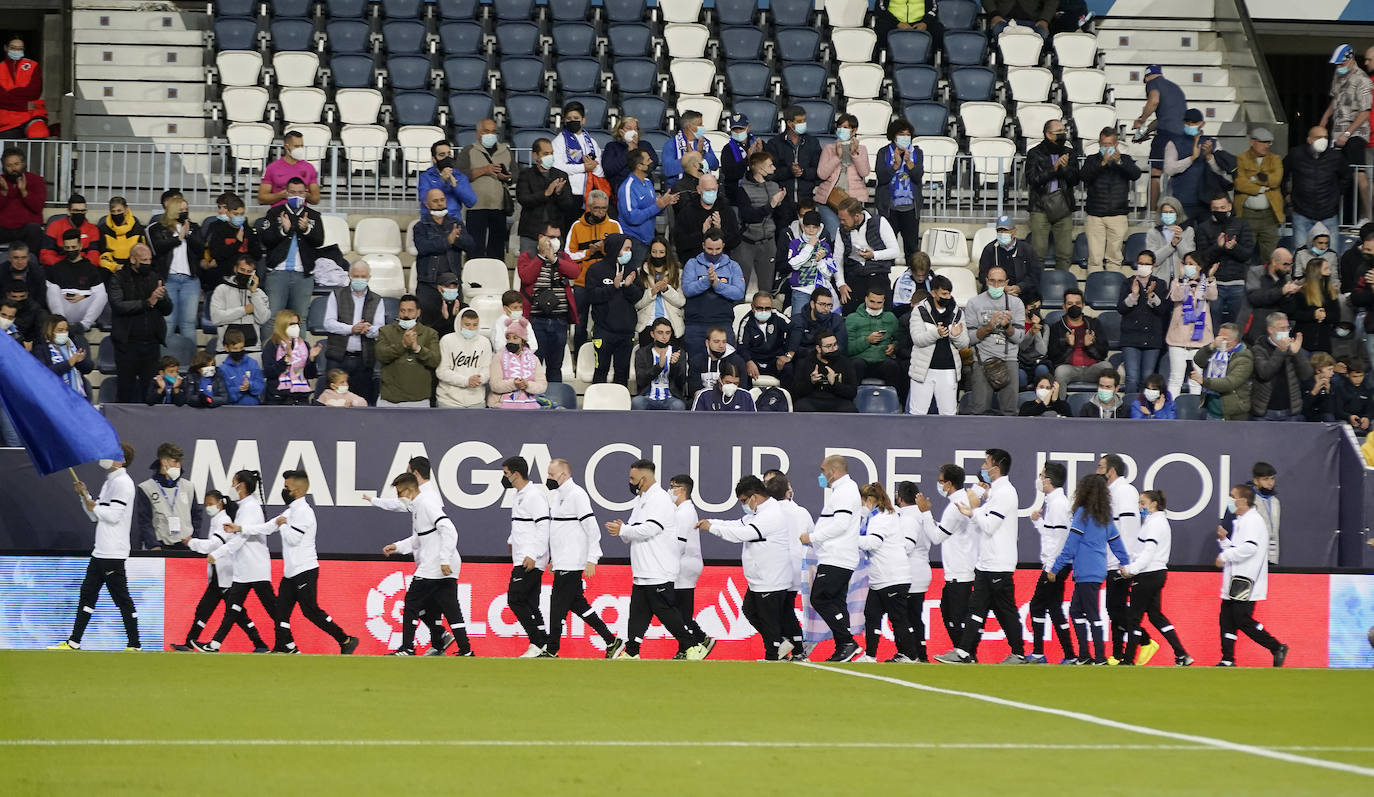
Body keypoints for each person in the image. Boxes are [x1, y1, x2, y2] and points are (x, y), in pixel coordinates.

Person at [222, 470, 359, 654]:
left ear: (298, 490)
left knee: (310, 611)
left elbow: (293, 538)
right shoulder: (291, 511)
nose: (284, 490)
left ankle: (345, 639)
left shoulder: (304, 513)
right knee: (281, 612)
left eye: (287, 487)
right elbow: (268, 527)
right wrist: (240, 528)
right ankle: (283, 647)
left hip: (305, 570)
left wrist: (283, 524)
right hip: (291, 573)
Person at [607, 459, 715, 660]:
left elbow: (651, 528)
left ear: (644, 478)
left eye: (632, 478)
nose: (629, 482)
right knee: (638, 612)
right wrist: (623, 530)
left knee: (666, 612)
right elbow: (631, 529)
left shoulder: (660, 499)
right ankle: (632, 651)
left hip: (658, 567)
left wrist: (624, 529)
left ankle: (694, 646)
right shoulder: (640, 500)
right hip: (642, 569)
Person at [935, 448, 1027, 664]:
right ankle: (966, 651)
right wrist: (980, 503)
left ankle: (1014, 653)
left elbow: (989, 525)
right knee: (984, 609)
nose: (983, 468)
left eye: (986, 464)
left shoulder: (1005, 493)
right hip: (988, 562)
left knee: (1002, 610)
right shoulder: (996, 492)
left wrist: (973, 512)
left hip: (997, 562)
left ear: (996, 468)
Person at [49, 443, 141, 651]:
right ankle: (74, 641)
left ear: (122, 460)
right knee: (87, 595)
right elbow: (94, 515)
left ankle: (135, 644)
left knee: (122, 599)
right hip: (100, 551)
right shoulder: (110, 483)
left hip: (112, 552)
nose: (105, 456)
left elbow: (114, 515)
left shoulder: (124, 484)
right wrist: (85, 496)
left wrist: (95, 506)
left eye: (111, 454)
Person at [696, 475, 794, 661]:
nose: (743, 505)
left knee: (769, 620)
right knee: (750, 611)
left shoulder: (770, 514)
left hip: (771, 578)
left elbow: (742, 534)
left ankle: (773, 655)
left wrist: (711, 528)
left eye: (743, 501)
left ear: (754, 497)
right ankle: (780, 645)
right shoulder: (757, 512)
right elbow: (738, 524)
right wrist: (711, 522)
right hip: (760, 578)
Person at [376, 472, 467, 656]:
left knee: (412, 602)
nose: (398, 497)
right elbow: (419, 539)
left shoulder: (425, 504)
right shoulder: (418, 506)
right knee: (449, 608)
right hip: (441, 565)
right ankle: (465, 650)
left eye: (399, 492)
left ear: (410, 490)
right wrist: (397, 547)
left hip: (435, 565)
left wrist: (443, 559)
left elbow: (449, 529)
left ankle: (407, 648)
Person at [1044, 474, 1130, 665]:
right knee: (1077, 611)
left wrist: (1055, 568)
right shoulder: (1104, 517)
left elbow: (1071, 545)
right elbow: (1117, 545)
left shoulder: (1083, 514)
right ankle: (1085, 655)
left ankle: (1097, 656)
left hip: (1085, 570)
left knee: (1089, 613)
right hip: (1097, 569)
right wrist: (1126, 564)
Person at [545, 458, 622, 658]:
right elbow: (560, 531)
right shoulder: (558, 496)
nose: (548, 478)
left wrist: (592, 559)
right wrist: (555, 559)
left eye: (551, 475)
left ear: (563, 475)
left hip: (573, 562)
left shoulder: (577, 495)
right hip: (564, 561)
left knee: (557, 606)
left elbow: (592, 529)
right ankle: (611, 640)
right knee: (577, 604)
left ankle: (552, 649)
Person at [176, 489, 270, 652]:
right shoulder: (218, 520)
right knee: (204, 610)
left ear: (220, 503)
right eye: (206, 505)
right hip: (217, 577)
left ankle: (260, 644)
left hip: (225, 575)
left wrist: (192, 543)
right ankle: (189, 642)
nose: (208, 508)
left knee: (237, 613)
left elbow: (214, 544)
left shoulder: (224, 520)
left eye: (210, 504)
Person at [197, 470, 276, 652]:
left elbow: (240, 538)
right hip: (245, 570)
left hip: (255, 568)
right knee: (232, 609)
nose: (231, 487)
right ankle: (215, 644)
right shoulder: (245, 507)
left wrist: (218, 553)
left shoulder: (250, 508)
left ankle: (288, 644)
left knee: (273, 610)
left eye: (233, 483)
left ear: (241, 486)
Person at [1215, 483, 1289, 667]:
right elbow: (1240, 547)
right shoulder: (1242, 522)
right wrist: (1225, 542)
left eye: (1233, 496)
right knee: (1226, 619)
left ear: (1242, 500)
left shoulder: (1252, 521)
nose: (1230, 500)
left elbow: (1250, 547)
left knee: (1241, 619)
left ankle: (1276, 646)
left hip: (1245, 580)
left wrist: (1225, 555)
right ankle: (1227, 659)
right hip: (1235, 579)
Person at [799, 455, 863, 661]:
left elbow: (841, 524)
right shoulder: (843, 491)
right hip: (836, 555)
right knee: (836, 602)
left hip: (837, 557)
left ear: (833, 472)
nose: (821, 475)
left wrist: (813, 537)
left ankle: (847, 641)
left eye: (822, 470)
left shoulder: (845, 492)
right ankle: (843, 647)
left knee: (819, 598)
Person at [1120, 490, 1193, 666]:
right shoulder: (1157, 522)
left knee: (1134, 618)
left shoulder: (1154, 524)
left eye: (1142, 503)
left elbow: (1148, 552)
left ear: (1153, 504)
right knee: (1155, 616)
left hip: (1147, 574)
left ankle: (1128, 659)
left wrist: (1131, 569)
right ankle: (1182, 654)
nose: (1139, 507)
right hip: (1158, 573)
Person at [852, 482, 919, 663]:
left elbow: (873, 543)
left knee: (897, 618)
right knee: (871, 614)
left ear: (870, 500)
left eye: (862, 501)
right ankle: (870, 655)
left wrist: (849, 539)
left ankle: (910, 655)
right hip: (881, 577)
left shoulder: (882, 517)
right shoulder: (879, 517)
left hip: (892, 576)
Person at [917, 464, 977, 649]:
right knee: (949, 612)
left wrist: (926, 513)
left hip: (960, 571)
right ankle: (962, 651)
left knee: (957, 616)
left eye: (940, 481)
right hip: (960, 569)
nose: (938, 484)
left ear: (948, 483)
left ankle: (965, 653)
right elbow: (948, 530)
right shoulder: (961, 501)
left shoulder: (955, 506)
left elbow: (936, 538)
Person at [1023, 463, 1075, 664]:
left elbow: (1061, 538)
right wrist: (1037, 521)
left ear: (1049, 480)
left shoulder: (1059, 504)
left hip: (1055, 566)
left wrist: (1052, 567)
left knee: (1038, 605)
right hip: (1055, 564)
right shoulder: (1053, 503)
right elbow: (1051, 535)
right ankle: (1067, 654)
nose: (1039, 479)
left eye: (1041, 475)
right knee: (1052, 607)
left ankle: (1041, 653)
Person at [259, 178, 324, 341]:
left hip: (303, 275)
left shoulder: (313, 216)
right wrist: (283, 230)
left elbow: (319, 241)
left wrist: (307, 229)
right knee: (271, 318)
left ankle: (298, 359)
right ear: (286, 193)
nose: (297, 196)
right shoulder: (274, 213)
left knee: (299, 319)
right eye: (293, 192)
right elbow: (266, 239)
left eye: (301, 192)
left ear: (306, 194)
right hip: (278, 273)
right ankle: (268, 357)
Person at [1097, 454, 1145, 663]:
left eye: (1100, 467)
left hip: (1120, 560)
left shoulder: (1125, 491)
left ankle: (1145, 640)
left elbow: (1129, 528)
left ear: (1111, 471)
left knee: (1114, 607)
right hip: (1112, 558)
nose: (1097, 471)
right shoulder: (1112, 492)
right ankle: (1118, 654)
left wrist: (1124, 559)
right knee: (1114, 608)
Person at [108, 244, 171, 403]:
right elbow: (118, 305)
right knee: (125, 389)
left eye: (149, 259)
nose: (147, 263)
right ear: (132, 259)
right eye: (143, 260)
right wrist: (147, 303)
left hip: (151, 344)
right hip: (127, 344)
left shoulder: (155, 277)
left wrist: (161, 298)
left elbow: (168, 309)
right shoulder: (118, 278)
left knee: (150, 390)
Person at [517, 224, 578, 380]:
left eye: (558, 237)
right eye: (551, 237)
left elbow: (575, 272)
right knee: (534, 364)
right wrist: (542, 257)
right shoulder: (528, 256)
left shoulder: (563, 257)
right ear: (541, 238)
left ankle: (554, 401)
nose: (555, 241)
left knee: (555, 366)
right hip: (536, 321)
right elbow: (526, 277)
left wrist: (555, 260)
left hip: (560, 321)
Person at [1320, 44, 1372, 223]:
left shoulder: (1363, 80)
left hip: (1356, 133)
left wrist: (1348, 133)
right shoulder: (1338, 75)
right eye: (1337, 65)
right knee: (1338, 175)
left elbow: (1365, 111)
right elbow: (1336, 99)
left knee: (1359, 173)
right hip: (1337, 132)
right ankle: (1342, 215)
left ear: (1350, 60)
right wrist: (1324, 120)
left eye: (1341, 64)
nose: (1338, 68)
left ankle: (1368, 215)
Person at [566, 190, 622, 355]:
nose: (600, 212)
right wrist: (588, 253)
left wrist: (604, 250)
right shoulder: (576, 226)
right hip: (582, 282)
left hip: (606, 282)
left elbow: (621, 252)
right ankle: (578, 354)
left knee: (606, 319)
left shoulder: (614, 225)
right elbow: (568, 255)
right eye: (597, 208)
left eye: (604, 208)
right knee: (580, 321)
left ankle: (603, 353)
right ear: (589, 207)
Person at [965, 265, 1025, 415]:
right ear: (986, 281)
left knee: (1010, 412)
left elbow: (1019, 338)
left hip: (1009, 360)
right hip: (982, 361)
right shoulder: (974, 303)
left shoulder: (1016, 304)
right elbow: (969, 339)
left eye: (1000, 281)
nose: (996, 285)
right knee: (980, 411)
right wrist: (988, 327)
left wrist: (1008, 327)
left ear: (1006, 283)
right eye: (992, 281)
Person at [1080, 127, 1143, 273]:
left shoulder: (1125, 159)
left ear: (1116, 144)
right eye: (1103, 144)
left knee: (1114, 257)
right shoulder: (1092, 159)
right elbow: (1084, 176)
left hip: (1118, 215)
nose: (1106, 147)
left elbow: (1135, 174)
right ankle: (1094, 290)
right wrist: (1102, 163)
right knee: (1095, 258)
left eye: (1109, 144)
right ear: (1099, 144)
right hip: (1095, 215)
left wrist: (1119, 161)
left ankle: (1113, 291)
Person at [321, 262, 384, 403]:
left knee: (361, 402)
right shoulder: (336, 295)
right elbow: (328, 323)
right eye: (356, 276)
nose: (360, 279)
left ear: (369, 277)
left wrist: (368, 329)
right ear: (349, 276)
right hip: (338, 358)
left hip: (364, 360)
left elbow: (380, 329)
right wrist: (351, 329)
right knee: (332, 402)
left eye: (363, 276)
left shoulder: (377, 299)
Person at [585, 232, 643, 386]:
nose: (629, 252)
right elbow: (591, 296)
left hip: (626, 332)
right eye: (626, 248)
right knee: (601, 370)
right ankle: (596, 409)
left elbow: (637, 296)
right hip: (603, 331)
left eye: (630, 249)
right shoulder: (595, 270)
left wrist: (628, 286)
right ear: (615, 248)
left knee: (622, 372)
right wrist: (613, 287)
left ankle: (621, 408)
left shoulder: (632, 270)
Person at [414, 187, 476, 327]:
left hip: (453, 284)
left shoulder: (456, 224)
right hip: (429, 285)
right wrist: (448, 240)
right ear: (427, 204)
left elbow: (470, 245)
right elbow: (423, 247)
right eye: (435, 201)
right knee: (429, 326)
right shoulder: (420, 227)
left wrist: (457, 239)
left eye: (442, 200)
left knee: (453, 325)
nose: (440, 203)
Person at [906, 274, 967, 415]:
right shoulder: (920, 311)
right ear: (933, 293)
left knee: (948, 414)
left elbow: (964, 344)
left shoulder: (957, 313)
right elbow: (917, 339)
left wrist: (955, 335)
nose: (947, 297)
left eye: (949, 293)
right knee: (917, 413)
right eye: (944, 294)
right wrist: (936, 334)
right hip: (923, 371)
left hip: (948, 370)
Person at [682, 228, 746, 359]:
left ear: (723, 246)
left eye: (718, 249)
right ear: (703, 245)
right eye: (710, 249)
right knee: (696, 365)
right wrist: (707, 281)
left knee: (726, 366)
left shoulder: (733, 266)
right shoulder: (692, 264)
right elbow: (688, 289)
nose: (714, 253)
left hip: (722, 323)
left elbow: (739, 293)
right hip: (695, 324)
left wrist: (717, 284)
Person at [454, 119, 514, 259]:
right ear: (478, 134)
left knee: (497, 248)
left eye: (493, 131)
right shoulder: (468, 150)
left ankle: (496, 276)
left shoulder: (505, 151)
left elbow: (514, 174)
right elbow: (460, 175)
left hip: (499, 207)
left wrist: (506, 177)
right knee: (474, 246)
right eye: (486, 131)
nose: (490, 134)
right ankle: (473, 276)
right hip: (476, 206)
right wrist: (484, 170)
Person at [147, 195, 204, 341]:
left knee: (189, 323)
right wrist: (178, 238)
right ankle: (165, 361)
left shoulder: (194, 227)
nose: (185, 212)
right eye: (181, 210)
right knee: (168, 321)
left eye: (186, 209)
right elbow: (157, 248)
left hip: (190, 281)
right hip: (169, 280)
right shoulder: (158, 228)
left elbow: (200, 250)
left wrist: (188, 235)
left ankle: (191, 360)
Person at [1026, 119, 1080, 273]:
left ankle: (1062, 285)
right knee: (1038, 253)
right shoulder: (1034, 153)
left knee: (1065, 253)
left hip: (1063, 207)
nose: (1063, 135)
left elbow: (1075, 179)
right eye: (1059, 133)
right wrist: (1054, 169)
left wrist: (1065, 169)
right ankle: (1037, 287)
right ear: (1048, 134)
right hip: (1040, 207)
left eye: (1064, 131)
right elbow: (1032, 180)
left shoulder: (1069, 153)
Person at [1132, 64, 1188, 210]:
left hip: (1165, 136)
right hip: (1182, 137)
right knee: (1176, 175)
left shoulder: (1152, 83)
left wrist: (1141, 120)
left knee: (1155, 175)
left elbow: (1154, 101)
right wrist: (1146, 131)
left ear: (1146, 77)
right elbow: (1164, 117)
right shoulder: (1175, 88)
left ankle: (1151, 213)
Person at [1283, 126, 1348, 249]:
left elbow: (1346, 176)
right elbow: (1282, 174)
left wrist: (1336, 195)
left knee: (1332, 255)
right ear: (1309, 139)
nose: (1323, 140)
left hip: (1328, 214)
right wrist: (1285, 194)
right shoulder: (1296, 154)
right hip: (1302, 213)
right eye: (1319, 137)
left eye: (1325, 137)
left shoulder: (1335, 156)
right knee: (1300, 254)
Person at [1163, 110, 1233, 225]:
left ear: (1202, 124)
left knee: (1206, 239)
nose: (1190, 125)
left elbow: (1221, 171)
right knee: (1182, 237)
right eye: (1187, 122)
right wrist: (1192, 158)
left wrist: (1209, 157)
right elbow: (1169, 169)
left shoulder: (1213, 143)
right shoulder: (1174, 143)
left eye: (1194, 122)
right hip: (1182, 202)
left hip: (1208, 202)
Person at [667, 473, 710, 658]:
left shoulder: (685, 512)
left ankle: (688, 647)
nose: (669, 490)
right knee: (679, 611)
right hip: (682, 564)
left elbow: (680, 543)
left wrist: (666, 562)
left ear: (682, 490)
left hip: (684, 566)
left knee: (680, 612)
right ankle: (699, 639)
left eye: (672, 486)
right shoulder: (679, 510)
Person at [766, 106, 822, 245]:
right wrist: (789, 171)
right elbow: (770, 173)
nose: (803, 123)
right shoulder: (774, 144)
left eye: (804, 120)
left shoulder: (813, 143)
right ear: (790, 123)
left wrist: (803, 172)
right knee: (783, 239)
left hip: (807, 200)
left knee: (808, 240)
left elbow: (819, 171)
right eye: (799, 121)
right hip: (784, 202)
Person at [1118, 250, 1172, 394]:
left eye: (1146, 263)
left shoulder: (1160, 284)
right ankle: (1130, 410)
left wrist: (1151, 295)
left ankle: (1144, 411)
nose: (1143, 266)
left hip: (1152, 338)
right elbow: (1121, 308)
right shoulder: (1127, 282)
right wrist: (1134, 295)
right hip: (1130, 338)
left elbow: (1162, 310)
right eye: (1140, 263)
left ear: (1153, 265)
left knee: (1147, 378)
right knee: (1132, 378)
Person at [832, 198, 898, 314]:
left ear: (856, 216)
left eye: (844, 219)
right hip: (854, 278)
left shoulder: (879, 222)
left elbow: (895, 251)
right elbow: (837, 259)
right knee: (850, 315)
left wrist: (874, 255)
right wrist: (841, 284)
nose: (841, 222)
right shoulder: (841, 230)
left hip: (878, 276)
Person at [516, 138, 581, 254]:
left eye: (551, 153)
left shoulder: (561, 175)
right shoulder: (526, 175)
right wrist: (546, 193)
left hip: (555, 232)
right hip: (531, 233)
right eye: (546, 153)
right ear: (535, 155)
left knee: (555, 269)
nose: (550, 156)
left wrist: (558, 193)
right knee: (528, 269)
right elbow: (524, 199)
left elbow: (568, 204)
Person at [1166, 253, 1218, 398]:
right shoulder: (1177, 282)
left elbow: (1213, 295)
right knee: (1175, 379)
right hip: (1177, 340)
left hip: (1200, 340)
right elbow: (1176, 296)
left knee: (1196, 380)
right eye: (1186, 264)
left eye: (1191, 263)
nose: (1187, 267)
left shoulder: (1206, 283)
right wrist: (1183, 280)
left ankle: (1195, 415)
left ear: (1199, 266)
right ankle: (1172, 414)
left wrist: (1210, 278)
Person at [132, 442, 200, 552]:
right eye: (175, 462)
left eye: (179, 462)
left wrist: (194, 539)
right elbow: (145, 521)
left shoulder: (188, 487)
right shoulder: (146, 488)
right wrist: (153, 544)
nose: (178, 466)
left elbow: (196, 515)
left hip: (185, 546)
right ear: (164, 462)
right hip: (160, 546)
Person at [375, 294, 439, 407]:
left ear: (418, 312)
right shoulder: (385, 331)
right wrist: (403, 344)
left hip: (419, 401)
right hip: (390, 400)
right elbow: (381, 355)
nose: (406, 315)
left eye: (410, 311)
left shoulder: (430, 334)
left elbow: (435, 361)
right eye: (402, 311)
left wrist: (417, 348)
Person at [813, 115, 871, 239]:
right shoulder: (829, 148)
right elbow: (822, 174)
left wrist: (855, 154)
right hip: (829, 199)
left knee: (851, 236)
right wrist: (837, 157)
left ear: (854, 131)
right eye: (839, 127)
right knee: (834, 235)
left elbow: (864, 172)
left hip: (852, 200)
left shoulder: (862, 149)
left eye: (845, 127)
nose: (841, 130)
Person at [736, 152, 785, 296]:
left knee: (766, 289)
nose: (774, 168)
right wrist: (771, 205)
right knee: (739, 289)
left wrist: (781, 205)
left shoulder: (774, 186)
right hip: (746, 242)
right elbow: (749, 216)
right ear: (759, 170)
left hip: (768, 242)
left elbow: (781, 216)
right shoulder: (743, 189)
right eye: (770, 166)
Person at [1249, 312, 1313, 421]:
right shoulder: (1259, 349)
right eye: (1281, 328)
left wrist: (1296, 353)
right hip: (1265, 412)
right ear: (1270, 330)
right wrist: (1281, 351)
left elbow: (1307, 374)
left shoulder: (1293, 347)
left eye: (1287, 328)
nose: (1286, 331)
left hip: (1290, 411)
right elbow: (1265, 373)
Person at [875, 118, 924, 257]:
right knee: (887, 247)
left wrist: (908, 162)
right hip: (889, 208)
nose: (905, 138)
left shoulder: (917, 152)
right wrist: (896, 165)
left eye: (908, 135)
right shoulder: (883, 152)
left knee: (912, 248)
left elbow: (917, 176)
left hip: (910, 207)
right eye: (901, 135)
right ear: (893, 136)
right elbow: (882, 178)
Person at [44, 230, 107, 338]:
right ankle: (61, 324)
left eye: (73, 247)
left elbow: (100, 293)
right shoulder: (57, 267)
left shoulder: (90, 268)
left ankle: (84, 325)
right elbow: (50, 294)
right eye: (67, 248)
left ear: (80, 246)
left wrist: (84, 296)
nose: (71, 250)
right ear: (63, 247)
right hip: (63, 307)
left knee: (103, 295)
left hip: (83, 306)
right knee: (53, 288)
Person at [1234, 128, 1284, 260]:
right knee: (1245, 252)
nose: (1266, 146)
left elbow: (1276, 180)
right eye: (1263, 142)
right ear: (1252, 142)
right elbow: (1239, 183)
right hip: (1247, 215)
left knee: (1271, 254)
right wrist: (1261, 188)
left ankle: (1269, 279)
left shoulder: (1275, 159)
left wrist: (1253, 179)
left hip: (1269, 216)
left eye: (1269, 143)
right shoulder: (1241, 158)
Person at [673, 173, 742, 265]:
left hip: (721, 265)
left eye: (714, 190)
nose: (711, 193)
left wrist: (720, 231)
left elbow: (735, 241)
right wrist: (702, 233)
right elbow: (680, 243)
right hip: (695, 264)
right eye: (707, 190)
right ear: (698, 190)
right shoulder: (687, 211)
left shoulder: (726, 210)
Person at [1049, 288, 1112, 388]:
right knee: (1060, 371)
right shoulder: (1056, 327)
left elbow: (1103, 354)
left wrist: (1090, 346)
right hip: (1069, 369)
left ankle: (1106, 403)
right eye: (1070, 303)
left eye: (1078, 303)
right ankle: (1059, 403)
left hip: (1092, 368)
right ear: (1064, 307)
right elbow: (1053, 357)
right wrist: (1068, 345)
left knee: (1107, 367)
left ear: (1083, 305)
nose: (1074, 306)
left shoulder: (1094, 324)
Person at [845, 286, 904, 390]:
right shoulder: (852, 318)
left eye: (879, 303)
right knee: (856, 364)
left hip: (883, 360)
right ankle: (851, 401)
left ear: (884, 301)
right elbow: (847, 349)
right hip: (860, 360)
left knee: (893, 366)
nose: (875, 306)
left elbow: (900, 339)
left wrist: (894, 347)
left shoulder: (890, 318)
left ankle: (894, 401)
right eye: (872, 301)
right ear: (865, 299)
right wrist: (867, 340)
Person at [618, 148, 678, 252]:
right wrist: (658, 206)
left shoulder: (648, 182)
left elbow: (654, 210)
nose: (652, 162)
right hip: (634, 241)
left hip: (649, 240)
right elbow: (632, 217)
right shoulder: (627, 187)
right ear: (639, 166)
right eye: (648, 160)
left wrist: (664, 203)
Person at [785, 211, 842, 318]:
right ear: (802, 227)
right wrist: (810, 246)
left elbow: (828, 274)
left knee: (822, 323)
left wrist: (819, 261)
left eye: (814, 227)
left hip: (820, 291)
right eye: (808, 226)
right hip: (801, 290)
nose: (811, 230)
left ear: (819, 228)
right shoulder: (794, 243)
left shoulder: (824, 246)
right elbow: (794, 265)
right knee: (798, 322)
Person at [1191, 322, 1253, 421]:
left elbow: (1230, 383)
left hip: (1232, 413)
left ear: (1235, 341)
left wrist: (1204, 381)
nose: (1220, 341)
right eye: (1219, 337)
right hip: (1211, 411)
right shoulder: (1216, 351)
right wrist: (1211, 346)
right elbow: (1198, 360)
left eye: (1224, 339)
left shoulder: (1244, 358)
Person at [210, 256, 270, 354]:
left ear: (254, 274)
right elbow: (216, 318)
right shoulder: (221, 290)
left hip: (253, 349)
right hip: (226, 349)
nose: (245, 274)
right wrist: (244, 310)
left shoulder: (259, 294)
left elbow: (263, 319)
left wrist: (254, 293)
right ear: (235, 269)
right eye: (242, 270)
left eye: (249, 271)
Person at [977, 215, 1041, 306]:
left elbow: (1035, 274)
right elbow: (983, 275)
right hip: (996, 290)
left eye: (1006, 231)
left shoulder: (1026, 249)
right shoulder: (990, 249)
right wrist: (1001, 287)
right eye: (999, 230)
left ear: (1014, 232)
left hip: (1022, 293)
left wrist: (1020, 287)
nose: (1002, 233)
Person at [262, 309, 321, 405]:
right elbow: (269, 373)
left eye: (297, 324)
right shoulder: (272, 345)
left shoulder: (304, 345)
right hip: (278, 398)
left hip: (301, 397)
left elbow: (310, 375)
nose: (296, 327)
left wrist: (312, 359)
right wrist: (285, 361)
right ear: (282, 325)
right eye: (292, 324)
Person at [553, 102, 605, 209]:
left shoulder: (592, 142)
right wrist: (584, 167)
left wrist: (592, 167)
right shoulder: (559, 141)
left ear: (583, 120)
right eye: (569, 118)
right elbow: (557, 167)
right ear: (564, 120)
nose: (572, 121)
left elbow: (600, 171)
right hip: (569, 194)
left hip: (590, 194)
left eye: (576, 117)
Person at [435, 308, 490, 408]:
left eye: (475, 325)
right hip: (448, 401)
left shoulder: (485, 342)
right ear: (459, 323)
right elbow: (442, 371)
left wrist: (480, 379)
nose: (471, 329)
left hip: (476, 401)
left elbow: (487, 369)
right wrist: (466, 381)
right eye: (467, 325)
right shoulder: (446, 340)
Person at [792, 329, 858, 412]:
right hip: (813, 400)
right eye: (828, 346)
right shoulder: (804, 363)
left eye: (835, 345)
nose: (833, 349)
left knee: (850, 409)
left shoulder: (845, 362)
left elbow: (852, 392)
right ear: (818, 348)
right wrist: (811, 382)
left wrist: (834, 383)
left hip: (838, 401)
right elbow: (797, 392)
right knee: (800, 407)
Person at [488, 317, 546, 409]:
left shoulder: (534, 359)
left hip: (530, 406)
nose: (511, 341)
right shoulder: (498, 357)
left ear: (523, 341)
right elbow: (495, 385)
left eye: (515, 338)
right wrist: (514, 384)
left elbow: (542, 385)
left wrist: (527, 385)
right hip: (500, 406)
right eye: (508, 338)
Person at [632, 317, 689, 410]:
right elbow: (641, 380)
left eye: (668, 333)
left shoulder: (678, 352)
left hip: (671, 398)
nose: (664, 337)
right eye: (660, 332)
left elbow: (681, 383)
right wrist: (659, 367)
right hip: (648, 397)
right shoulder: (642, 353)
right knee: (637, 402)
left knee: (678, 405)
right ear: (652, 334)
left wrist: (674, 366)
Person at [634, 237, 684, 341]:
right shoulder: (639, 273)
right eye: (654, 252)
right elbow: (637, 304)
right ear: (649, 253)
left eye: (661, 252)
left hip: (671, 323)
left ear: (667, 253)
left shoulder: (678, 273)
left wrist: (666, 290)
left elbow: (681, 302)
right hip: (647, 324)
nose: (657, 256)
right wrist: (652, 292)